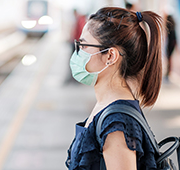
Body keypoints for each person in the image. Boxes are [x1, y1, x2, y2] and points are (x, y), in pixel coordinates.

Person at [66, 7, 164, 170]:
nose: (78, 53)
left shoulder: (117, 124)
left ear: (110, 56)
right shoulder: (106, 106)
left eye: (83, 45)